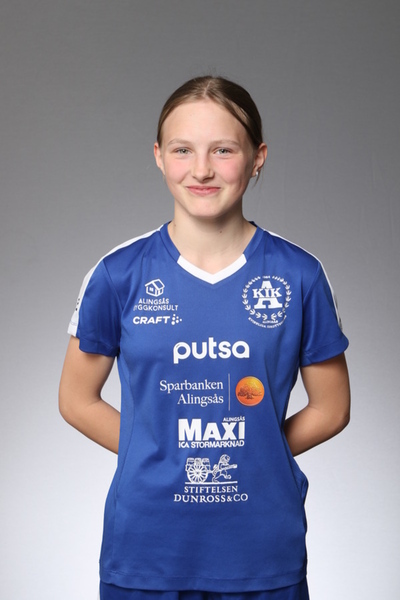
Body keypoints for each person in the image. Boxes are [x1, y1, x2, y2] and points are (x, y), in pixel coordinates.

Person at [59, 75, 350, 600]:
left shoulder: (299, 275)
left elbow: (332, 408)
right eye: (182, 150)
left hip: (261, 547)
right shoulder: (117, 275)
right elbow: (76, 400)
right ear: (158, 156)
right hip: (146, 549)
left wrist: (258, 450)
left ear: (257, 158)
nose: (201, 169)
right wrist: (158, 453)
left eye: (223, 150)